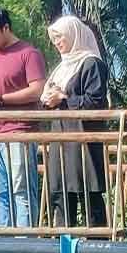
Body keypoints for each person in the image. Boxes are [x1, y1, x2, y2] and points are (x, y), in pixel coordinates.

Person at [0, 6, 47, 228]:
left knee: (21, 191)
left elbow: (37, 90)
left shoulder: (29, 53)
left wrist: (1, 99)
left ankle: (26, 246)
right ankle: (4, 246)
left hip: (19, 133)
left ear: (6, 28)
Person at [40, 15, 109, 227]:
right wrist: (48, 100)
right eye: (54, 40)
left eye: (60, 37)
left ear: (73, 34)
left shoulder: (91, 64)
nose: (57, 43)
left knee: (90, 198)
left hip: (84, 143)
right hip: (60, 141)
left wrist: (63, 98)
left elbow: (96, 102)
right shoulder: (61, 69)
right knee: (60, 198)